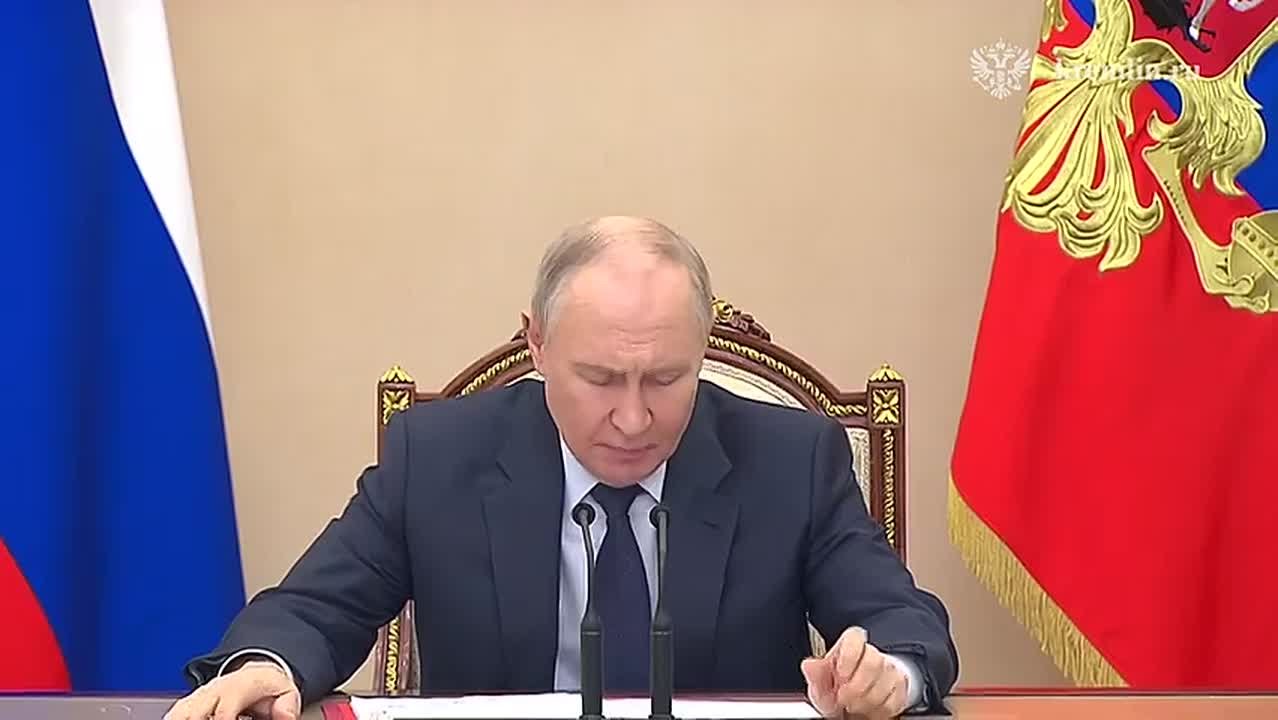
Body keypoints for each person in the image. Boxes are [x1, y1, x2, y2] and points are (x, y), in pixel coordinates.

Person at [165, 216, 958, 720]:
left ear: (703, 350)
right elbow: (312, 609)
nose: (633, 419)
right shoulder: (436, 457)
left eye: (667, 379)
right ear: (537, 344)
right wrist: (269, 665)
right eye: (601, 379)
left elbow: (906, 625)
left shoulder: (792, 460)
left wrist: (887, 674)